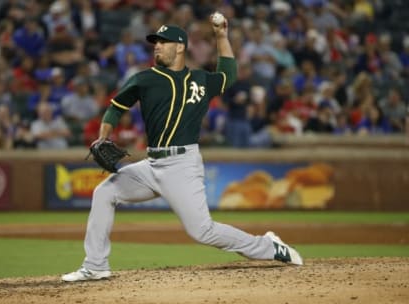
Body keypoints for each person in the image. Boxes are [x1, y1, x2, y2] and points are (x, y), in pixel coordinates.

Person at [61, 18, 303, 282]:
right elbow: (116, 107)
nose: (157, 47)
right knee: (104, 192)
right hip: (152, 165)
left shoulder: (200, 79)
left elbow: (228, 75)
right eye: (155, 43)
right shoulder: (144, 79)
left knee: (202, 231)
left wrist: (221, 37)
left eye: (163, 42)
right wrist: (102, 136)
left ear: (180, 47)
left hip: (182, 165)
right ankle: (95, 265)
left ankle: (270, 247)